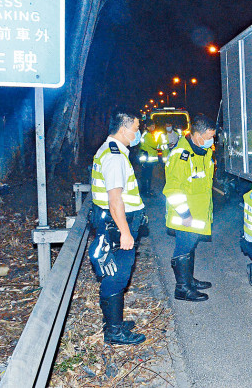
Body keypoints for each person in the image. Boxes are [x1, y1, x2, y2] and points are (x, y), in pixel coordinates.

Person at [89, 108, 146, 345]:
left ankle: (115, 322)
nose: (138, 133)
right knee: (117, 275)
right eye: (136, 129)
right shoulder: (114, 156)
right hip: (115, 225)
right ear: (123, 129)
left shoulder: (110, 150)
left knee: (117, 273)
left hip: (110, 222)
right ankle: (114, 332)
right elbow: (115, 200)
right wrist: (125, 231)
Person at [163, 114, 216, 302]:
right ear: (197, 135)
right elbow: (172, 189)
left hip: (198, 214)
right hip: (185, 215)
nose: (211, 141)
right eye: (209, 137)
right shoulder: (181, 156)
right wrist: (185, 214)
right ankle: (182, 289)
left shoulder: (203, 152)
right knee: (183, 248)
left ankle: (189, 281)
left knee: (190, 247)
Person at [138, 120, 160, 196]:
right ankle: (146, 191)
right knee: (147, 175)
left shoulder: (147, 134)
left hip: (147, 158)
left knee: (146, 175)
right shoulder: (147, 135)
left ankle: (146, 190)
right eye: (152, 126)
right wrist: (158, 142)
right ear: (148, 127)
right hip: (148, 159)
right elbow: (154, 145)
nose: (153, 127)